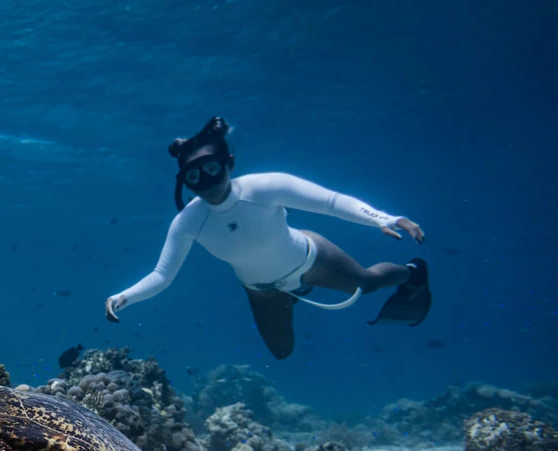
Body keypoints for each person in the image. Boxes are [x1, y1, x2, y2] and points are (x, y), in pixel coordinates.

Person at [104, 116, 430, 360]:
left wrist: (383, 218)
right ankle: (293, 294)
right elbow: (162, 275)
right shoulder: (188, 220)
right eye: (194, 176)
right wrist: (124, 297)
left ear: (227, 163)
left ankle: (414, 272)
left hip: (312, 259)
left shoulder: (265, 187)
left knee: (368, 283)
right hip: (263, 291)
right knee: (281, 352)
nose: (206, 181)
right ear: (185, 183)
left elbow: (331, 202)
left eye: (212, 169)